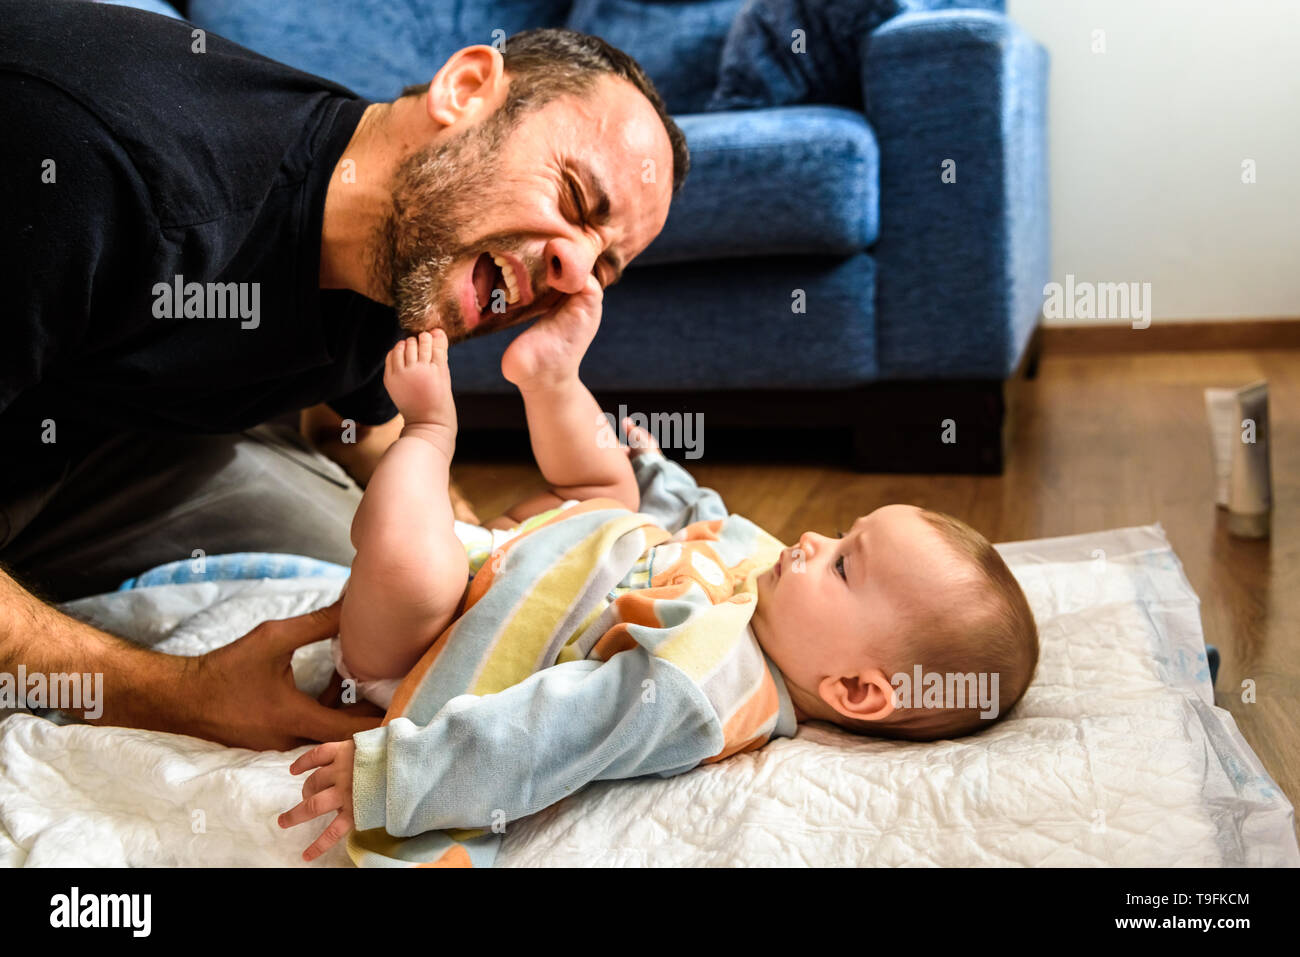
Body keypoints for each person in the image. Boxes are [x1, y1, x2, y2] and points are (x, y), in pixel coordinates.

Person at [0, 0, 687, 748]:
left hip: (92, 417)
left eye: (604, 269)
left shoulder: (405, 236)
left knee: (394, 589)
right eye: (576, 199)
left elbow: (361, 427)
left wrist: (472, 553)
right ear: (464, 89)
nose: (574, 268)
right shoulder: (83, 167)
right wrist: (180, 695)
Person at [278, 284, 1039, 865]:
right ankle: (550, 378)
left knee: (415, 566)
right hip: (547, 541)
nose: (812, 537)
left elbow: (551, 732)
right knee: (614, 487)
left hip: (435, 628)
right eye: (843, 530)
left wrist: (397, 776)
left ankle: (427, 431)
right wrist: (656, 471)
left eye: (844, 562)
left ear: (855, 690)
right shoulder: (777, 582)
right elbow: (706, 522)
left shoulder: (706, 683)